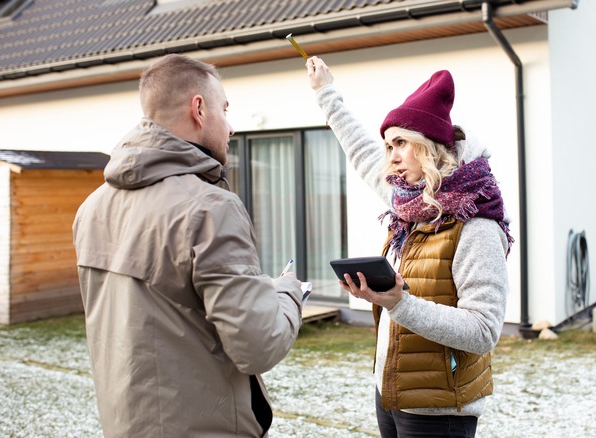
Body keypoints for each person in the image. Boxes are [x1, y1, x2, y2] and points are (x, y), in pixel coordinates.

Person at [73, 54, 304, 437]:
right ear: (199, 109)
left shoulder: (92, 206)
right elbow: (257, 346)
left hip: (126, 424)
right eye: (224, 110)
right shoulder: (211, 208)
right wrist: (287, 292)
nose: (230, 128)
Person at [306, 56, 512, 437]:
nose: (391, 157)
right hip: (391, 391)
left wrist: (400, 303)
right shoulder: (410, 204)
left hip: (440, 409)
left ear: (430, 146)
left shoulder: (476, 221)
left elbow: (484, 330)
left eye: (401, 142)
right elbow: (361, 152)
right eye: (389, 145)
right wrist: (326, 92)